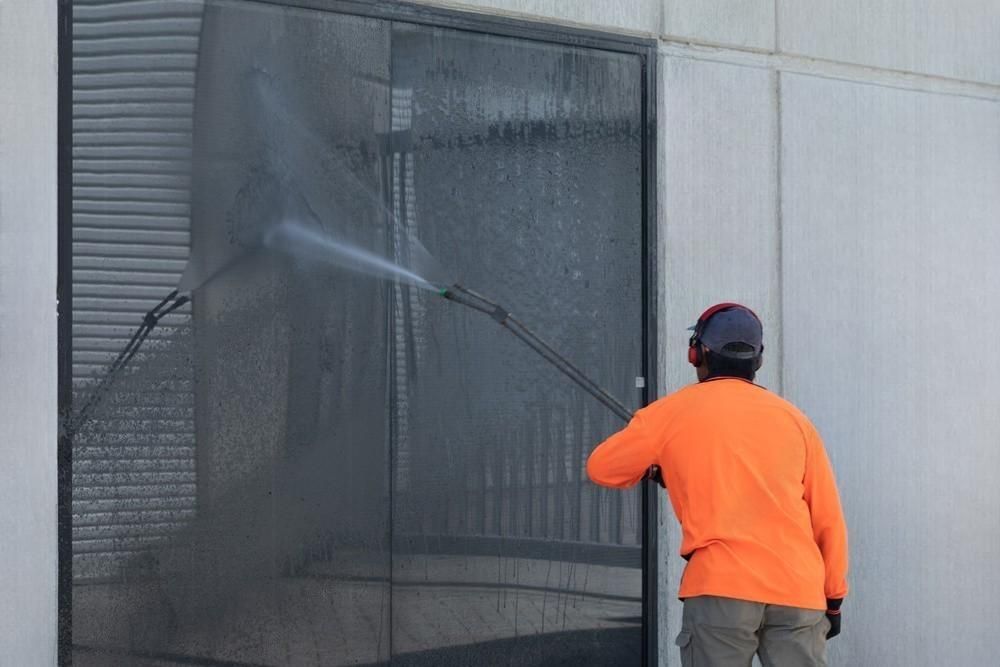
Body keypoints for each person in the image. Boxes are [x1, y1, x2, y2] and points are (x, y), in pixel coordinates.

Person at [587, 303, 848, 666]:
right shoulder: (794, 420)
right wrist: (833, 598)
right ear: (757, 360)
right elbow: (827, 517)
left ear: (698, 354)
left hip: (721, 589)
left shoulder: (669, 414)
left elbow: (602, 467)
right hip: (798, 591)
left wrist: (655, 468)